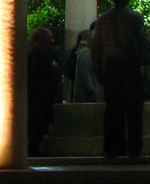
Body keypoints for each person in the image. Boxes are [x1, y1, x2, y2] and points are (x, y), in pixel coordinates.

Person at [90, 0, 150, 159]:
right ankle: (134, 149)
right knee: (133, 110)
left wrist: (98, 71)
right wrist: (146, 69)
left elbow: (97, 48)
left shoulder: (103, 19)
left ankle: (112, 149)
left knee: (112, 110)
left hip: (112, 67)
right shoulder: (135, 18)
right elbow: (144, 44)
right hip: (131, 68)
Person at [26, 27, 62, 155]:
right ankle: (33, 148)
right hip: (42, 93)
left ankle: (32, 147)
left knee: (35, 121)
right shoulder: (45, 53)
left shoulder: (30, 51)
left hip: (33, 92)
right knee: (40, 122)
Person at [67, 29, 103, 104]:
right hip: (87, 96)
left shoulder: (85, 53)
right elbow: (86, 75)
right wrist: (92, 90)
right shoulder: (85, 53)